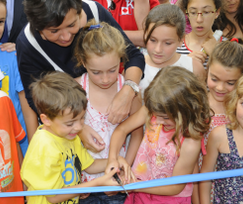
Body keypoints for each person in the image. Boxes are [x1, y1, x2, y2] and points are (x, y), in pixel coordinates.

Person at [16, 0, 145, 150]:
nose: (65, 37)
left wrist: (128, 90)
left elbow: (133, 55)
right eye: (54, 31)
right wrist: (77, 127)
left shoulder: (94, 11)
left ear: (79, 12)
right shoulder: (28, 44)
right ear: (39, 29)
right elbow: (36, 100)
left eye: (71, 25)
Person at [106, 66, 211, 204]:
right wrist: (112, 159)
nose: (159, 121)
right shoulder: (155, 109)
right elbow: (121, 130)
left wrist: (135, 186)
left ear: (186, 110)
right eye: (157, 116)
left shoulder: (191, 142)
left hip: (169, 199)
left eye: (166, 118)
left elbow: (175, 187)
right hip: (139, 192)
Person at [20, 71, 130, 204]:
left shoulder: (67, 134)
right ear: (46, 120)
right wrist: (97, 183)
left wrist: (116, 160)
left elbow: (90, 165)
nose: (78, 127)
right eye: (70, 123)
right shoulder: (45, 147)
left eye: (82, 118)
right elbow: (53, 197)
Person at [74, 19, 143, 203]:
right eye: (96, 72)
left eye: (112, 70)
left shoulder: (130, 92)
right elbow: (65, 135)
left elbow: (137, 135)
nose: (105, 79)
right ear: (83, 62)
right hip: (85, 185)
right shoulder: (75, 89)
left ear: (121, 58)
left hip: (118, 183)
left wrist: (123, 172)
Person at [197, 40, 243, 203]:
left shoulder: (240, 112)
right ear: (207, 70)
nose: (220, 88)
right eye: (214, 79)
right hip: (204, 187)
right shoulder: (199, 107)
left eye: (230, 83)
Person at [139, 4, 205, 99]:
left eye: (167, 43)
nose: (158, 49)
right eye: (153, 40)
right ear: (145, 35)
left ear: (181, 40)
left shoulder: (194, 68)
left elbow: (201, 108)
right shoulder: (135, 68)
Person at [0, 0, 36, 155]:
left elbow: (28, 111)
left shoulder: (12, 58)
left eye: (0, 22)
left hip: (18, 152)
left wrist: (35, 152)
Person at [94, 0, 159, 47]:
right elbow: (90, 39)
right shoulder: (90, 3)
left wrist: (108, 35)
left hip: (137, 61)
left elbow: (149, 38)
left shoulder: (148, 2)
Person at [177, 0, 221, 69]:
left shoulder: (229, 47)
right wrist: (184, 63)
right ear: (186, 13)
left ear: (217, 12)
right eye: (193, 13)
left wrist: (215, 56)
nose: (199, 19)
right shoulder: (175, 45)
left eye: (206, 12)